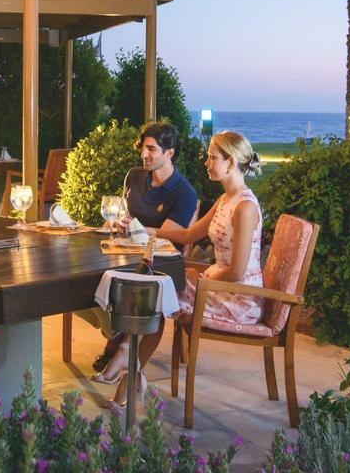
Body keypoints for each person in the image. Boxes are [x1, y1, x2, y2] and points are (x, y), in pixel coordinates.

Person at [96, 130, 263, 409]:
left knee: (157, 292)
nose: (206, 162)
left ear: (231, 162)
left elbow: (236, 272)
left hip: (238, 298)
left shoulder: (245, 206)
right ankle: (129, 373)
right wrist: (142, 228)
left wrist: (204, 277)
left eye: (212, 157)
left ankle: (126, 364)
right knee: (156, 289)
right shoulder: (226, 199)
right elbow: (187, 235)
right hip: (217, 285)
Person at [87, 122, 198, 373]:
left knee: (139, 287)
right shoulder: (135, 176)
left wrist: (139, 228)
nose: (144, 154)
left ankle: (123, 352)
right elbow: (124, 214)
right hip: (125, 251)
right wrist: (116, 223)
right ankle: (114, 331)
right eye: (143, 148)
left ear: (169, 153)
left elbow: (168, 236)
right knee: (87, 274)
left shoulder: (184, 193)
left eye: (151, 149)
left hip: (159, 261)